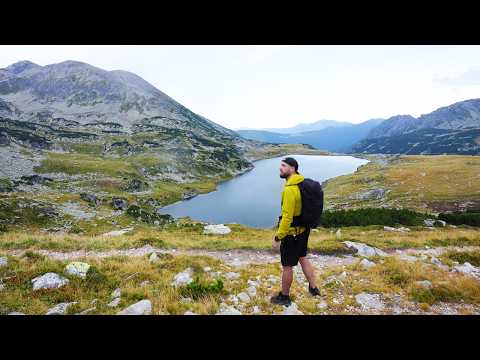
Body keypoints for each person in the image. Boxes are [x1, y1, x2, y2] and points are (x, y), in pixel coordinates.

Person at [270, 157, 321, 306]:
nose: (280, 168)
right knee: (303, 257)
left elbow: (287, 218)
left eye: (284, 166)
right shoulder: (302, 183)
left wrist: (278, 237)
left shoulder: (290, 189)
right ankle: (313, 288)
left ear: (292, 168)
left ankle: (284, 297)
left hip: (291, 235)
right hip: (304, 231)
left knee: (287, 266)